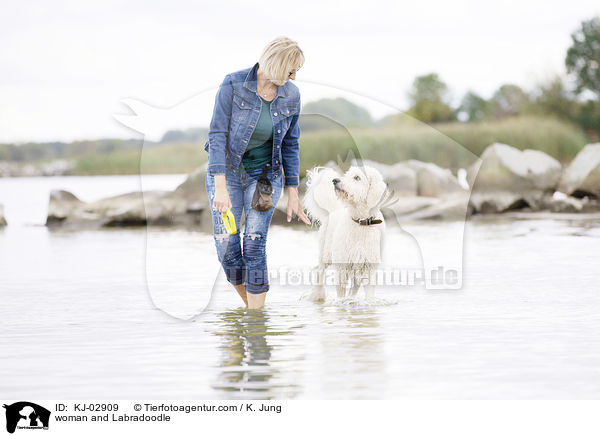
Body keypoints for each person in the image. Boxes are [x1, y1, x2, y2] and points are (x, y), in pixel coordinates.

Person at [204, 36, 310, 309]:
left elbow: (291, 143)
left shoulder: (291, 95)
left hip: (264, 177)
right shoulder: (233, 84)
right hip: (226, 174)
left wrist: (293, 192)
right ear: (277, 64)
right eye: (291, 70)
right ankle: (252, 313)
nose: (294, 77)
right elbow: (217, 135)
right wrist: (221, 187)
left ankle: (256, 318)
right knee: (228, 248)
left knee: (254, 244)